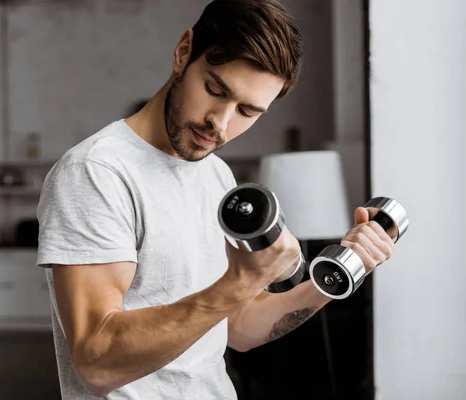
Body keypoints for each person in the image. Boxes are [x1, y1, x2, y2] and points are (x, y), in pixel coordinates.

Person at [36, 0, 395, 398]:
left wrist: (340, 272)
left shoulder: (215, 173)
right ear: (184, 52)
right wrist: (242, 279)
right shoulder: (96, 172)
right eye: (215, 90)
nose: (220, 123)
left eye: (247, 111)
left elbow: (237, 328)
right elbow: (96, 361)